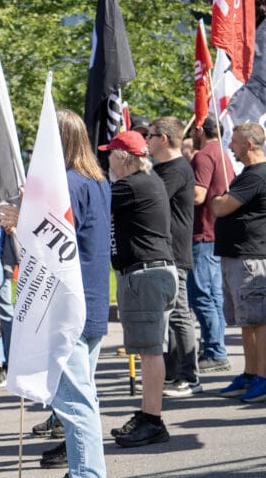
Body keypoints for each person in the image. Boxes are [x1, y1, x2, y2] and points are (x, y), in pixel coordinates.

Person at [0, 109, 111, 477]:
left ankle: (87, 473)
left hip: (67, 308)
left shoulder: (69, 185)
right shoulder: (95, 180)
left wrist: (21, 219)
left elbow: (52, 245)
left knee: (76, 404)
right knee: (82, 397)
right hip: (90, 302)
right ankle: (82, 467)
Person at [101, 130, 177, 448]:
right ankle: (148, 416)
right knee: (149, 350)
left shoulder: (131, 186)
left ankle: (153, 420)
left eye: (110, 154)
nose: (106, 159)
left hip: (145, 275)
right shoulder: (144, 182)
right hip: (150, 273)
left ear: (122, 158)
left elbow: (91, 204)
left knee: (149, 351)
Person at [211, 122, 266, 402]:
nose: (229, 147)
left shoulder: (256, 176)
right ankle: (250, 372)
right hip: (239, 256)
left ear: (250, 145)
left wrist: (218, 199)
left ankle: (262, 377)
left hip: (250, 257)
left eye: (233, 142)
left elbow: (221, 207)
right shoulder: (248, 174)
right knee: (247, 321)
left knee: (258, 321)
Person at [148, 117, 200, 397]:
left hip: (174, 251)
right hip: (166, 250)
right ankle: (172, 371)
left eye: (151, 136)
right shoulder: (166, 168)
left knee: (179, 313)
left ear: (164, 139)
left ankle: (189, 376)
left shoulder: (176, 169)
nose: (147, 141)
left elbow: (152, 201)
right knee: (168, 313)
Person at [188, 116, 234, 373]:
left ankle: (215, 351)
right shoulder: (222, 153)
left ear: (200, 131)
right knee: (213, 296)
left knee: (202, 296)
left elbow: (198, 194)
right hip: (214, 232)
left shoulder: (204, 155)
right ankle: (216, 348)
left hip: (203, 233)